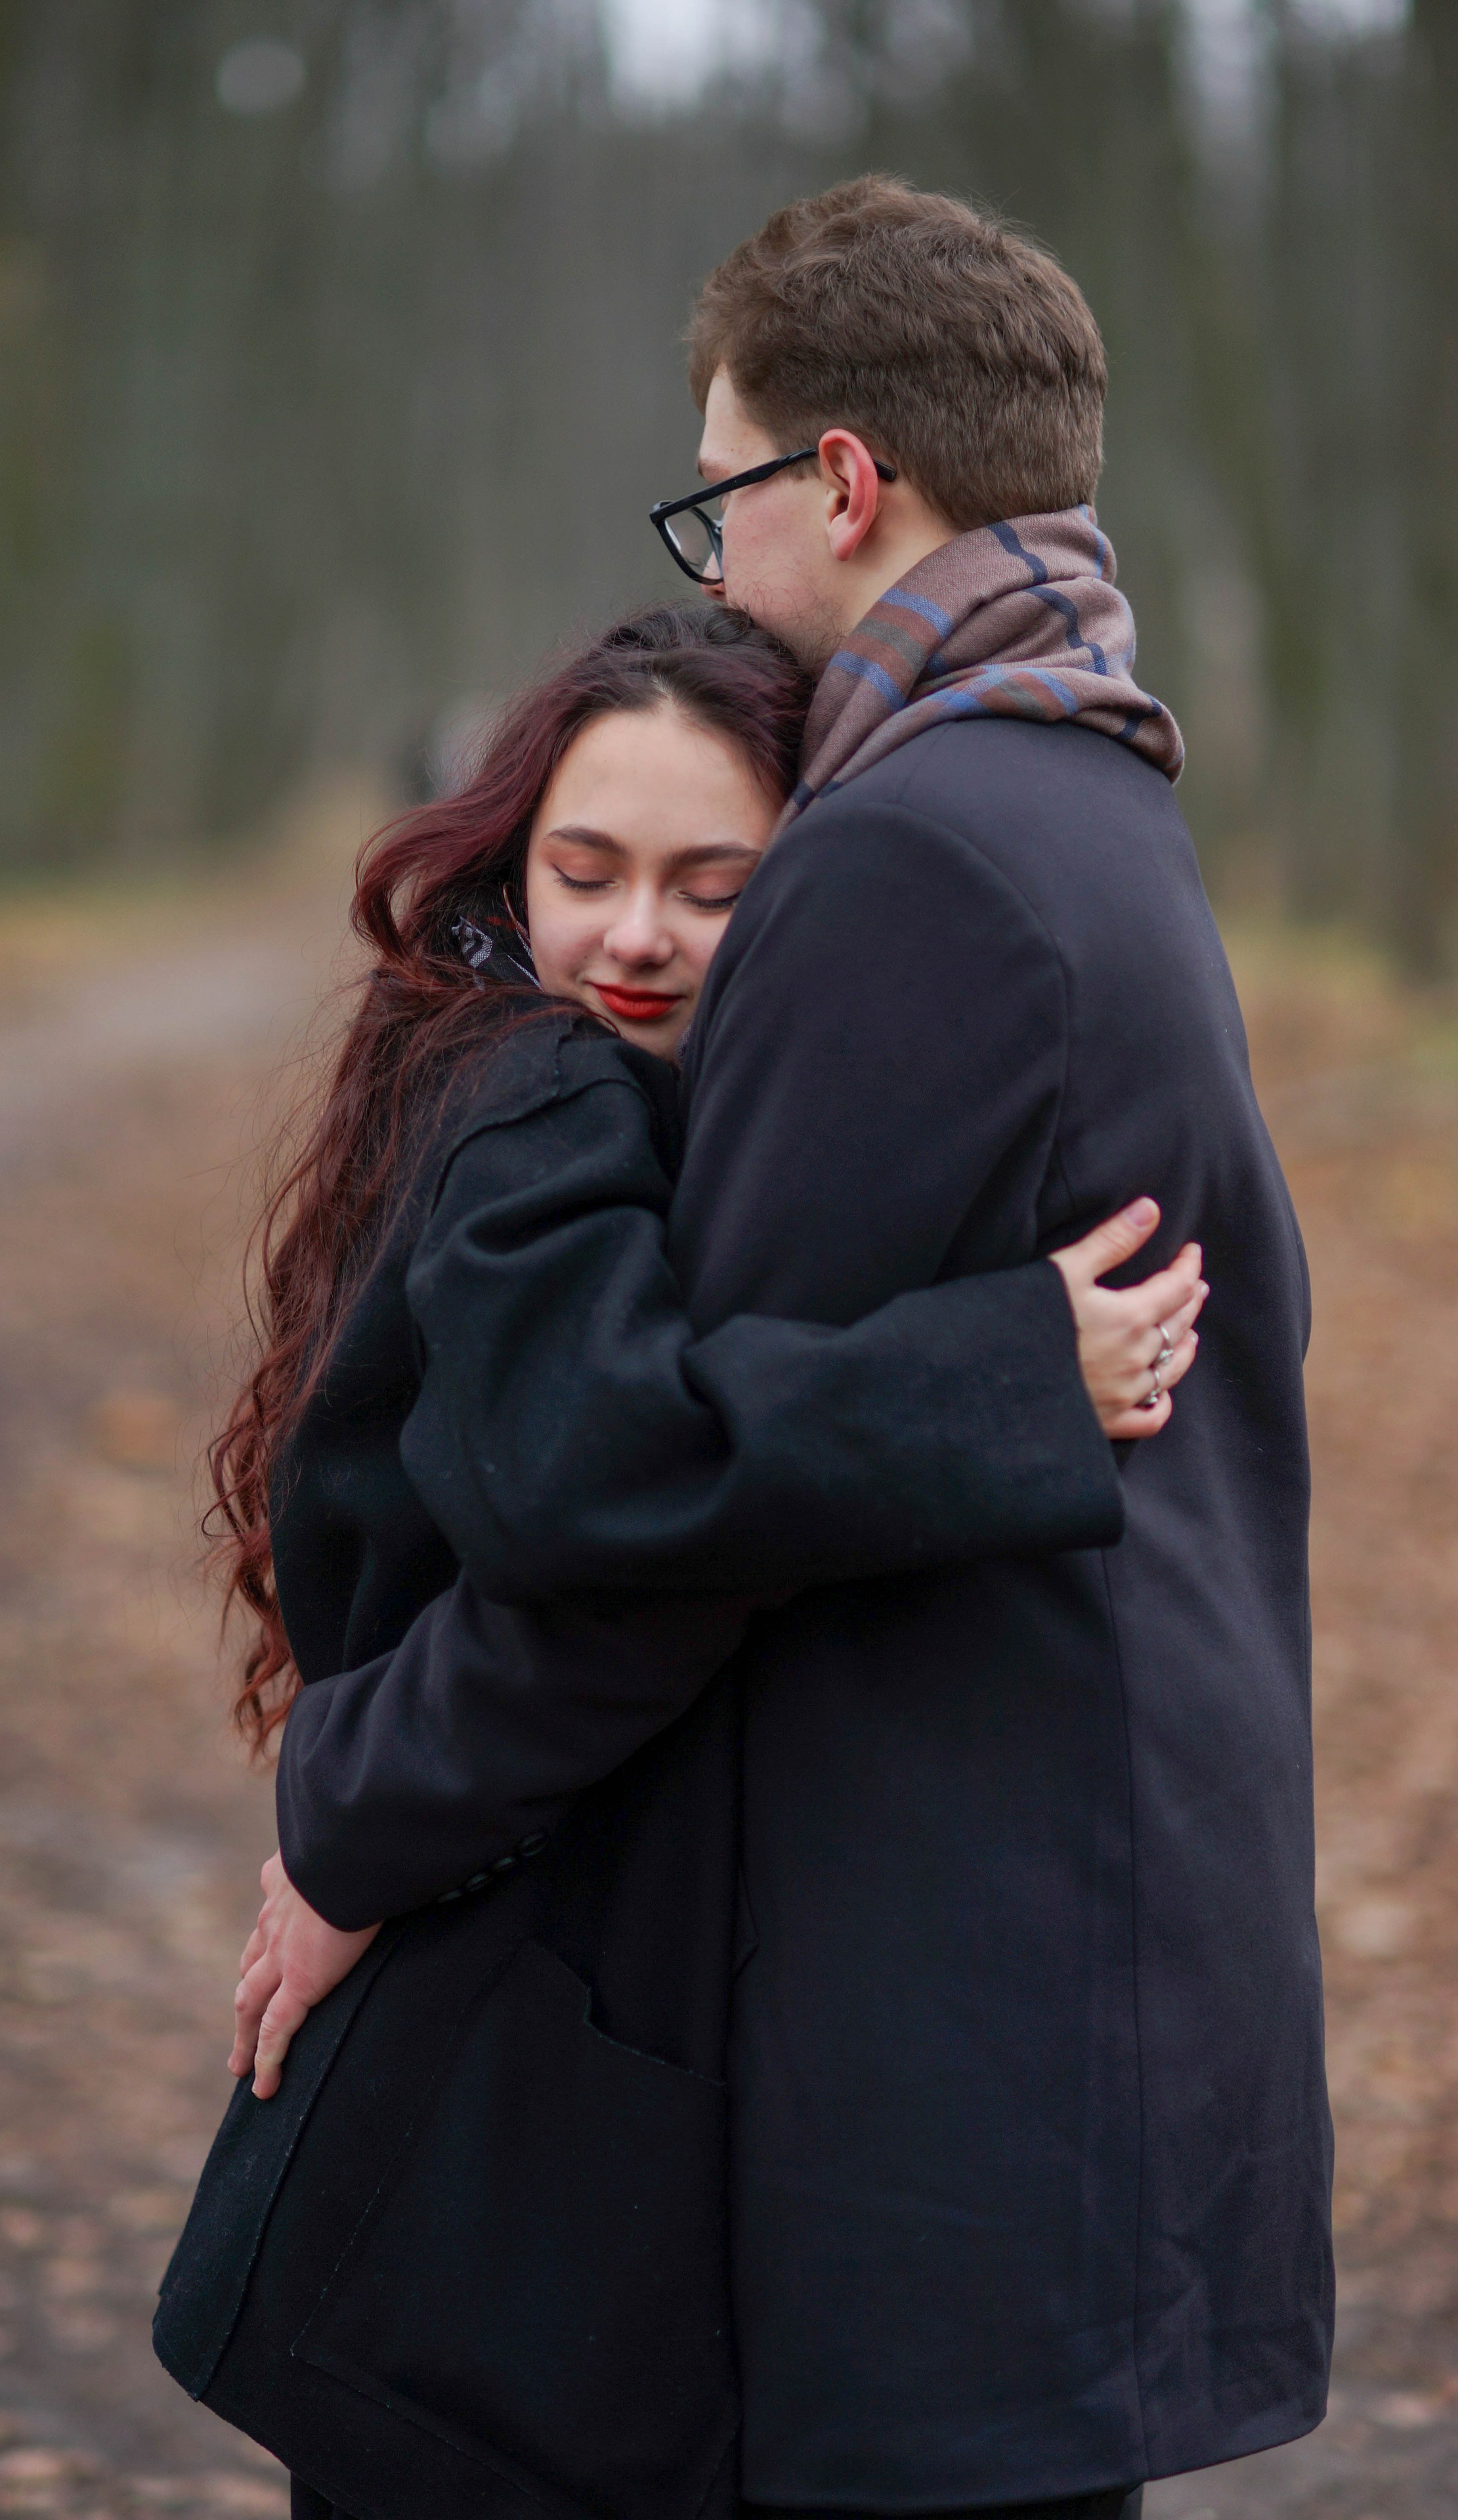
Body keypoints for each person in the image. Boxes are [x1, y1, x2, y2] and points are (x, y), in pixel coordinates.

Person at [153, 603, 1204, 2519]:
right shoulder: (534, 1092)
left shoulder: (649, 1103)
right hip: (485, 2029)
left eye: (714, 887)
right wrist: (999, 1372)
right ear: (507, 865)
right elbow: (600, 1474)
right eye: (585, 871)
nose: (633, 936)